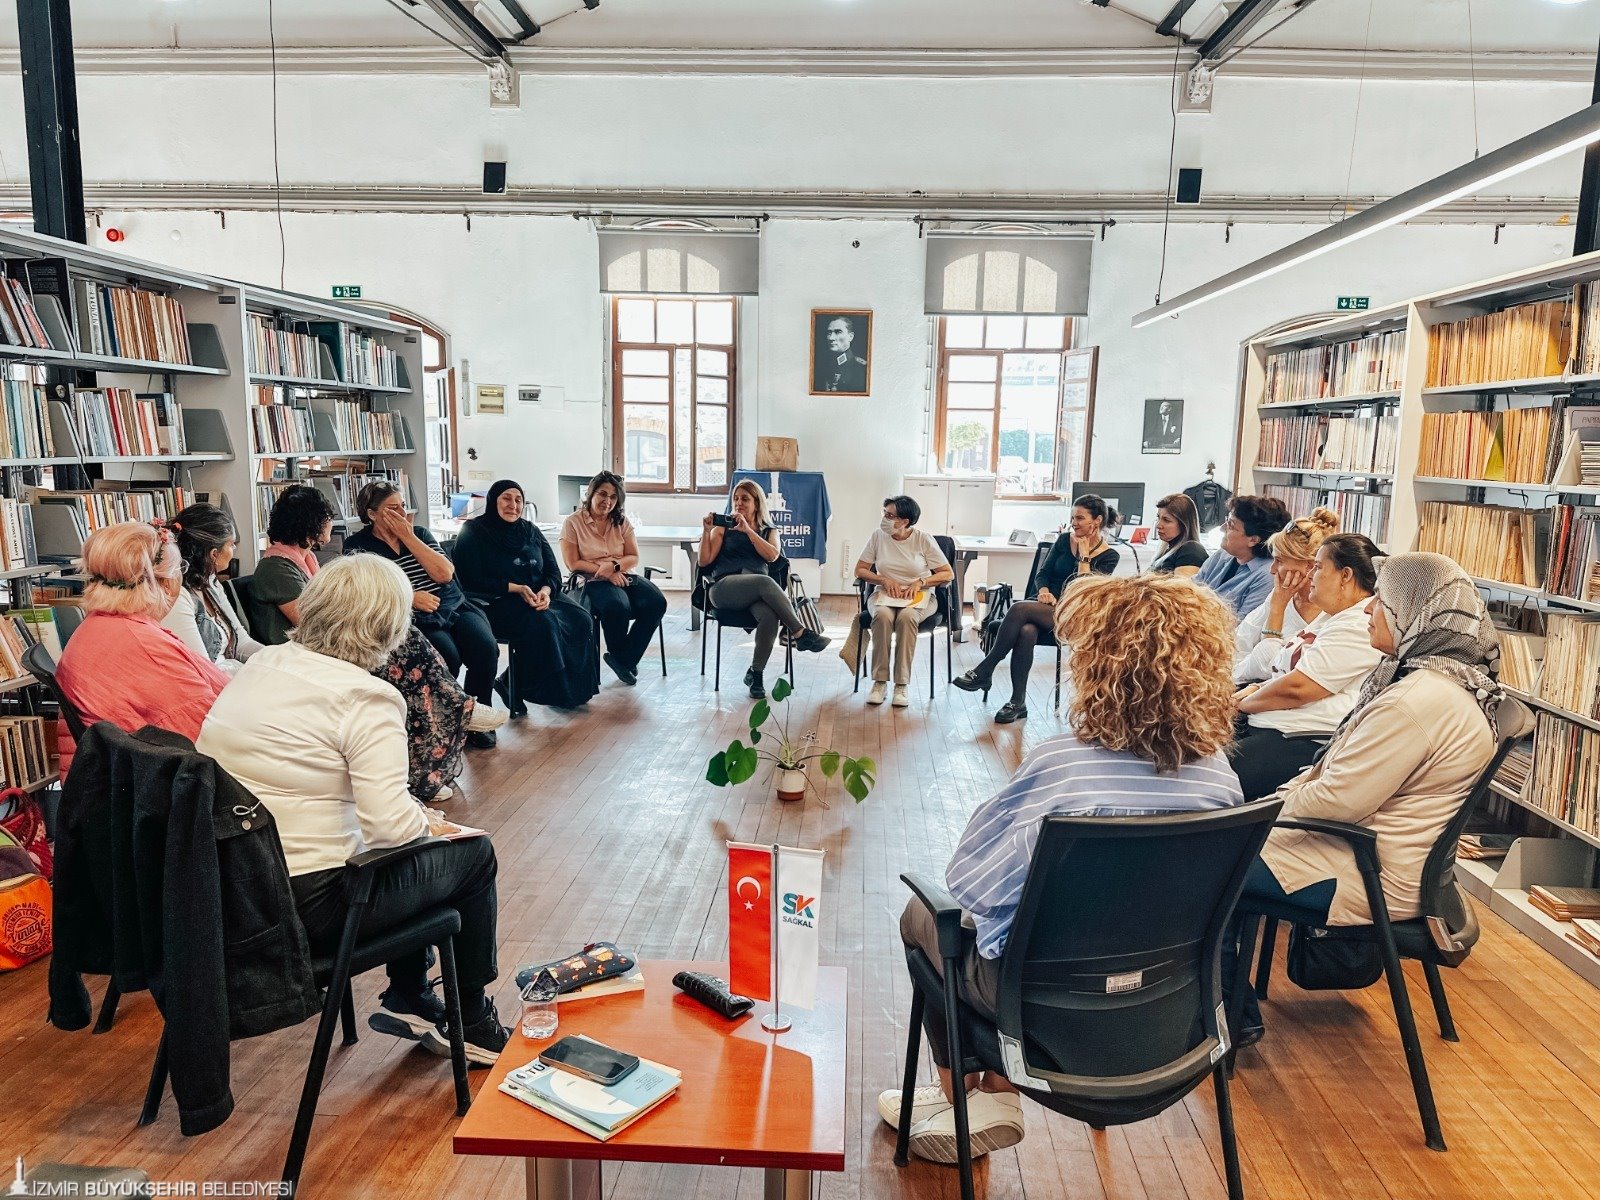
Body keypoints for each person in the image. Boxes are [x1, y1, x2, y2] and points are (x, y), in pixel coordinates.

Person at [881, 575, 1245, 1165]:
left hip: (1040, 1006)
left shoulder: (1064, 767)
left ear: (1098, 665)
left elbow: (974, 884)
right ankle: (990, 1094)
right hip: (1167, 1009)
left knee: (925, 917)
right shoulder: (1219, 779)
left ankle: (967, 1098)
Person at [198, 555, 509, 1065]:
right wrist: (429, 822)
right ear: (391, 627)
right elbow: (390, 829)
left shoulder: (263, 665)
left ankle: (410, 992)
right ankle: (471, 1018)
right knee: (473, 855)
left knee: (412, 850)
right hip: (311, 905)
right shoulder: (367, 697)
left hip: (234, 890)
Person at [1225, 553, 1503, 1044]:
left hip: (1368, 872)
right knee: (1216, 849)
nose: (1370, 609)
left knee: (1204, 868)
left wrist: (1254, 816)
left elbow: (1335, 802)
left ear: (1416, 614)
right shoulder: (1439, 682)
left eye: (1384, 601)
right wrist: (1279, 801)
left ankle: (1224, 1016)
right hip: (1383, 859)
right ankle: (1227, 1008)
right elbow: (1333, 784)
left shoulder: (1414, 702)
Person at [255, 485, 501, 792]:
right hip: (313, 650)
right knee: (409, 652)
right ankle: (450, 722)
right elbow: (312, 623)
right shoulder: (277, 567)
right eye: (327, 518)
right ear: (311, 524)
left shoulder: (304, 561)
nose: (331, 524)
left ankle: (450, 720)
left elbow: (443, 575)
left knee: (413, 641)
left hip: (349, 636)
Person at [55, 520, 230, 777]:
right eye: (179, 569)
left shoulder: (101, 626)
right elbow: (213, 736)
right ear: (165, 582)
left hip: (121, 779)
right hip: (164, 785)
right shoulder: (141, 646)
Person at [1229, 533, 1386, 801]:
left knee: (1201, 775)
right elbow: (1279, 670)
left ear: (1345, 575)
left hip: (1300, 740)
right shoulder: (1331, 617)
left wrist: (1239, 705)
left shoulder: (1358, 623)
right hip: (1270, 725)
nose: (1311, 574)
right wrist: (1253, 689)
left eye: (1318, 567)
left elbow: (1298, 688)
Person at [952, 495, 1120, 724]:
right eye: (1072, 517)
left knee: (1019, 609)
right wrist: (1043, 591)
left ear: (1097, 521)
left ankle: (985, 670)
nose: (1074, 523)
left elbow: (1084, 591)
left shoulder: (1110, 556)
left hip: (1074, 615)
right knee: (1026, 631)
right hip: (1043, 608)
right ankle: (1017, 702)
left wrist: (1084, 556)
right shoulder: (1064, 540)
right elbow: (1043, 573)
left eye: (1080, 518)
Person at [344, 481, 500, 725]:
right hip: (412, 615)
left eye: (403, 505)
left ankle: (477, 717)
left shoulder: (420, 534)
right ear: (372, 514)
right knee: (446, 656)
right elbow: (365, 591)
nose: (402, 513)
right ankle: (446, 722)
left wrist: (408, 537)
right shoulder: (357, 545)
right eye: (393, 508)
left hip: (452, 605)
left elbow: (444, 574)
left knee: (485, 648)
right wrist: (410, 596)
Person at [452, 478, 600, 711]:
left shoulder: (530, 530)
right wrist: (516, 588)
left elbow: (553, 571)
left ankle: (555, 690)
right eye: (506, 499)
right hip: (495, 601)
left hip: (538, 596)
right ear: (493, 501)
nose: (513, 505)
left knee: (581, 619)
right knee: (544, 624)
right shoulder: (474, 531)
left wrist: (546, 591)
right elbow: (470, 578)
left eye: (518, 500)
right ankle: (523, 686)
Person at [698, 480, 831, 699]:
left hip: (756, 593)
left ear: (757, 504)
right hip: (724, 589)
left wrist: (749, 531)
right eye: (736, 499)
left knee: (770, 615)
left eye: (745, 499)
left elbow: (773, 556)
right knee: (765, 582)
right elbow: (704, 561)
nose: (739, 503)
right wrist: (706, 532)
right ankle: (800, 633)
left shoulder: (769, 530)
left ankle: (755, 674)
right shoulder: (723, 527)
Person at [560, 471, 668, 686]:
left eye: (613, 497)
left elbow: (633, 556)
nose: (607, 501)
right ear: (591, 494)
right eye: (602, 494)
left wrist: (615, 566)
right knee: (618, 605)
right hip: (591, 579)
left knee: (657, 602)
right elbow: (573, 563)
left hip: (623, 573)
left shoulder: (621, 522)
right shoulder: (573, 522)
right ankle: (623, 658)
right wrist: (606, 570)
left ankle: (624, 659)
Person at [850, 495, 954, 708]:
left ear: (905, 521)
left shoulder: (923, 540)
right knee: (882, 616)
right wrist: (883, 580)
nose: (884, 518)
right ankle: (879, 682)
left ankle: (901, 685)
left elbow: (947, 573)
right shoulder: (878, 537)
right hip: (884, 594)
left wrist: (921, 581)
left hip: (920, 596)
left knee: (906, 617)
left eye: (890, 515)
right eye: (884, 513)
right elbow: (860, 570)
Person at [1234, 507, 1341, 679]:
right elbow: (1239, 642)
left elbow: (1268, 668)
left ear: (1309, 566)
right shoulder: (1281, 594)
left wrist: (1277, 610)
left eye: (1279, 561)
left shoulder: (1331, 613)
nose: (1272, 569)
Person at [162, 503, 263, 675]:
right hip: (218, 685)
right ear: (214, 554)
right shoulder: (179, 597)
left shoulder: (210, 582)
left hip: (234, 676)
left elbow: (241, 643)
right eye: (231, 544)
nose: (234, 549)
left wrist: (278, 659)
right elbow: (204, 671)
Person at [1194, 494, 1291, 617]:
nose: (1222, 528)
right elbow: (1189, 591)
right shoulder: (1222, 554)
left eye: (1230, 525)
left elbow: (1240, 624)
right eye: (1226, 521)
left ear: (1253, 540)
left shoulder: (1267, 576)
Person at [1148, 492, 1208, 576]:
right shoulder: (1168, 550)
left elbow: (1182, 584)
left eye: (1166, 520)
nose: (1158, 525)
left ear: (1184, 524)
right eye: (1158, 517)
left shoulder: (1191, 551)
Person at [818, 314, 868, 393]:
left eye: (838, 332)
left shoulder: (862, 368)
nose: (831, 338)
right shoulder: (821, 366)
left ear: (850, 336)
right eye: (829, 333)